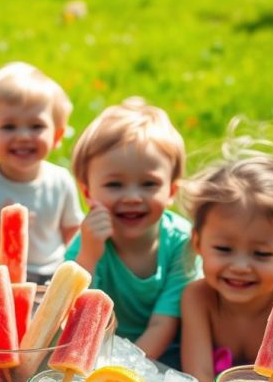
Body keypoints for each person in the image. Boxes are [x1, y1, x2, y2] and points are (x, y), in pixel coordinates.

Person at [67, 98, 199, 362]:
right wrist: (90, 256)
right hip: (98, 351)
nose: (132, 197)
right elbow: (69, 316)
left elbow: (163, 324)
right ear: (87, 192)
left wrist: (127, 371)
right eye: (115, 185)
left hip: (167, 354)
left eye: (149, 184)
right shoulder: (88, 240)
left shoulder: (182, 243)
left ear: (171, 190)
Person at [180, 156, 273, 382]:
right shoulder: (198, 299)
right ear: (198, 243)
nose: (240, 267)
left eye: (261, 254)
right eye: (223, 249)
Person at [0, 62, 83, 284]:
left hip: (48, 272)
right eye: (9, 127)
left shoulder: (61, 181)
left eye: (36, 126)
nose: (24, 136)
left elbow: (72, 231)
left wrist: (77, 266)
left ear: (57, 136)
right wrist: (3, 229)